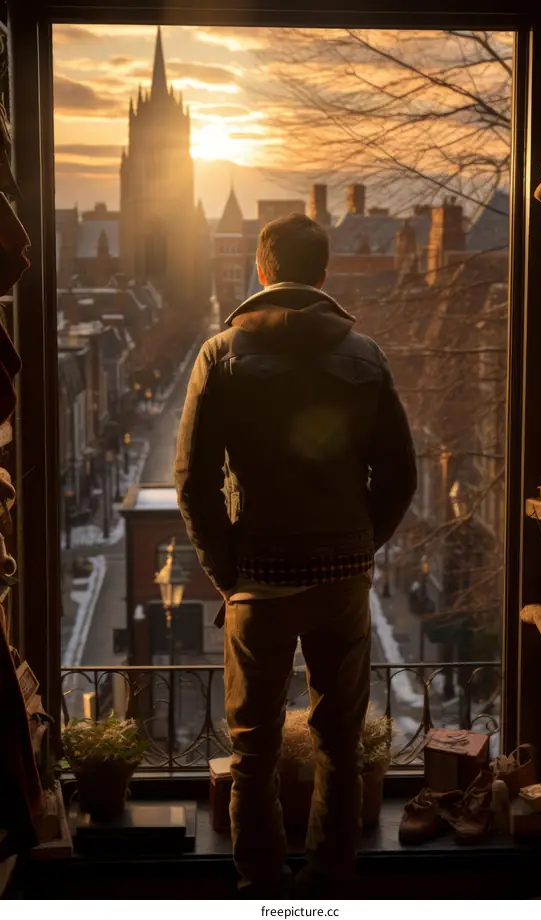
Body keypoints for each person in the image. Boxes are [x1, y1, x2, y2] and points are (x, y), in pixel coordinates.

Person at [175, 213, 417, 897]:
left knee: (253, 748)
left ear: (260, 271)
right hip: (340, 578)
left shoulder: (221, 355)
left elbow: (191, 481)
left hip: (258, 578)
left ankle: (261, 886)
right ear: (323, 274)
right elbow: (399, 475)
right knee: (340, 740)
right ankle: (332, 875)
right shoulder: (365, 356)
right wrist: (359, 548)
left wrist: (230, 573)